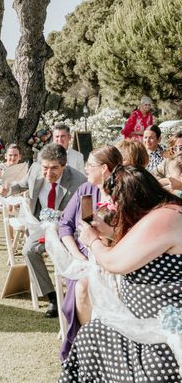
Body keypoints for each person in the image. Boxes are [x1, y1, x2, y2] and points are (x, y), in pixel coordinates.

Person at [61, 166, 182, 381]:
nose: (114, 209)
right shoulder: (162, 212)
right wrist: (108, 233)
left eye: (115, 203)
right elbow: (137, 249)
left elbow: (113, 262)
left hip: (162, 338)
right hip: (141, 328)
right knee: (91, 336)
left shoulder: (165, 217)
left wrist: (93, 241)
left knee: (92, 339)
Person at [1, 143, 86, 318]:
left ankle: (73, 296)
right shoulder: (35, 170)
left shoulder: (79, 181)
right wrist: (8, 189)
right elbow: (22, 185)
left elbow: (82, 214)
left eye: (54, 168)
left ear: (64, 165)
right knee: (28, 250)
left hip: (69, 229)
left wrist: (60, 217)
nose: (48, 173)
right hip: (42, 226)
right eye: (45, 168)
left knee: (71, 255)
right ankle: (53, 297)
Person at [57, 145, 123, 360]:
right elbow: (65, 225)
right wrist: (77, 254)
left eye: (90, 165)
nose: (85, 168)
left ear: (104, 169)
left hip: (116, 257)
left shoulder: (122, 193)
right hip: (84, 257)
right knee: (83, 286)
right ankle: (87, 343)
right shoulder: (85, 190)